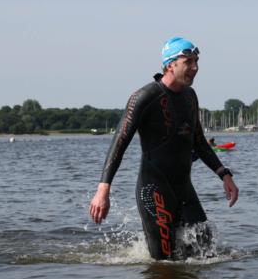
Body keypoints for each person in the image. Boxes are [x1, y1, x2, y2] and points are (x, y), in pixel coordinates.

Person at [89, 37, 239, 260]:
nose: (195, 67)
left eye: (197, 61)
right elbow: (120, 141)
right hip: (154, 190)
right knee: (164, 264)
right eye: (188, 61)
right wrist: (103, 191)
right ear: (170, 64)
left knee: (206, 251)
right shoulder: (145, 97)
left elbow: (198, 141)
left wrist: (224, 174)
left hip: (184, 189)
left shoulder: (190, 97)